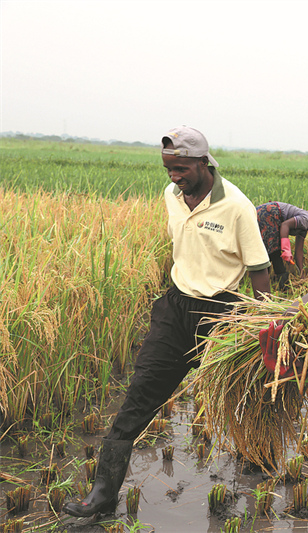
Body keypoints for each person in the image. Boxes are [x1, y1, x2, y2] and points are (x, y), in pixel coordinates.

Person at [63, 126, 271, 518]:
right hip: (175, 310)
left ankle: (262, 462)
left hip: (223, 315)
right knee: (138, 397)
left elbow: (260, 271)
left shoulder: (238, 207)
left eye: (181, 169)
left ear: (203, 163)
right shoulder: (171, 196)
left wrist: (264, 326)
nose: (174, 177)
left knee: (243, 398)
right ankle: (102, 494)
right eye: (168, 169)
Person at [255, 200, 308, 289]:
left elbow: (299, 251)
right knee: (272, 250)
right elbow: (285, 225)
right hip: (268, 213)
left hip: (267, 213)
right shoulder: (306, 219)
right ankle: (271, 286)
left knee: (272, 251)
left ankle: (277, 285)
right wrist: (286, 249)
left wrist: (302, 275)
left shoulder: (304, 227)